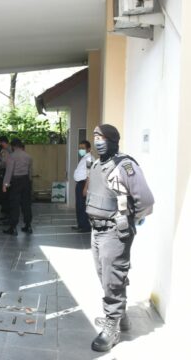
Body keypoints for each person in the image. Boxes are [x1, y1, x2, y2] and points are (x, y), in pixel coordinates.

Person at [86, 124, 154, 352]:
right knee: (105, 276)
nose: (97, 141)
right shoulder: (97, 164)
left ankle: (112, 327)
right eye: (95, 136)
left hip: (114, 232)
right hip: (97, 230)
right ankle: (120, 315)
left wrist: (131, 220)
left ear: (113, 140)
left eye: (102, 137)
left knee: (113, 279)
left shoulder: (125, 165)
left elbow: (145, 200)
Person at [2, 138, 33, 236]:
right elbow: (30, 171)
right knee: (26, 204)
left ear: (13, 146)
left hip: (16, 182)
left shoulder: (12, 156)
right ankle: (28, 226)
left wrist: (5, 184)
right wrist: (29, 182)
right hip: (26, 181)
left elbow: (9, 171)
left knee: (14, 205)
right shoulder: (28, 156)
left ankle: (13, 228)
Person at [72, 140, 94, 233]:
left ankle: (85, 227)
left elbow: (90, 174)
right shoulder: (84, 158)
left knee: (82, 206)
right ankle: (80, 225)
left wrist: (85, 187)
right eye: (80, 148)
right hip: (80, 184)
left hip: (84, 184)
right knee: (79, 206)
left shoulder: (89, 158)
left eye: (83, 148)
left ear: (88, 149)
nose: (80, 150)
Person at [0, 135, 11, 224]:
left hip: (6, 173)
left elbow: (3, 163)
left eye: (0, 143)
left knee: (5, 195)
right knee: (6, 196)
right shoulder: (9, 149)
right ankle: (7, 215)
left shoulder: (6, 151)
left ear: (3, 142)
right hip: (8, 174)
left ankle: (8, 216)